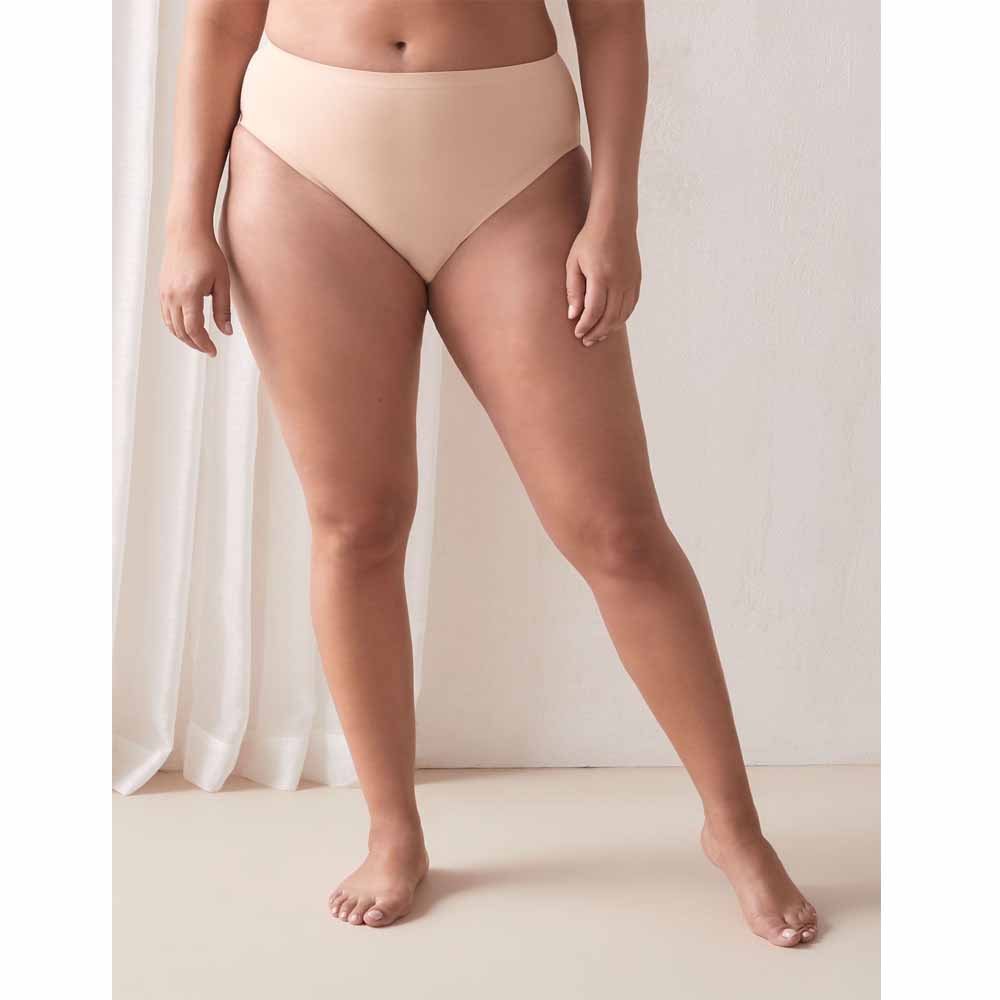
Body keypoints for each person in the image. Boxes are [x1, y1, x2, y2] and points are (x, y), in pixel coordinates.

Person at [160, 0, 818, 946]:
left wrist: (615, 213)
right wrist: (185, 217)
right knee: (355, 523)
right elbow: (221, 21)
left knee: (616, 531)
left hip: (515, 167)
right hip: (301, 164)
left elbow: (611, 20)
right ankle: (393, 831)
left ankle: (735, 828)